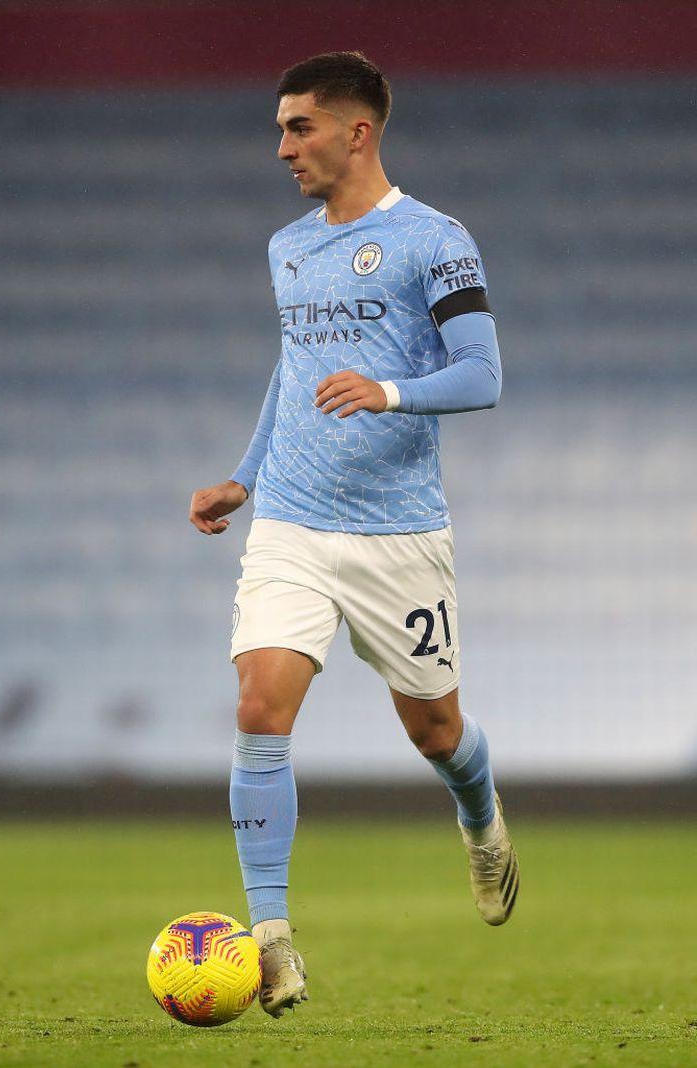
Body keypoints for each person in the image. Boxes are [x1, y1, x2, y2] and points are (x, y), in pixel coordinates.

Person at [189, 50, 519, 1019]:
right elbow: (293, 371)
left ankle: (480, 819)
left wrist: (388, 391)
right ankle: (272, 940)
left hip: (396, 537)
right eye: (280, 130)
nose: (282, 148)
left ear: (356, 131)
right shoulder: (288, 247)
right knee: (259, 705)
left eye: (299, 127)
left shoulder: (434, 241)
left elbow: (482, 374)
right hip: (291, 522)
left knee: (436, 731)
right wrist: (246, 478)